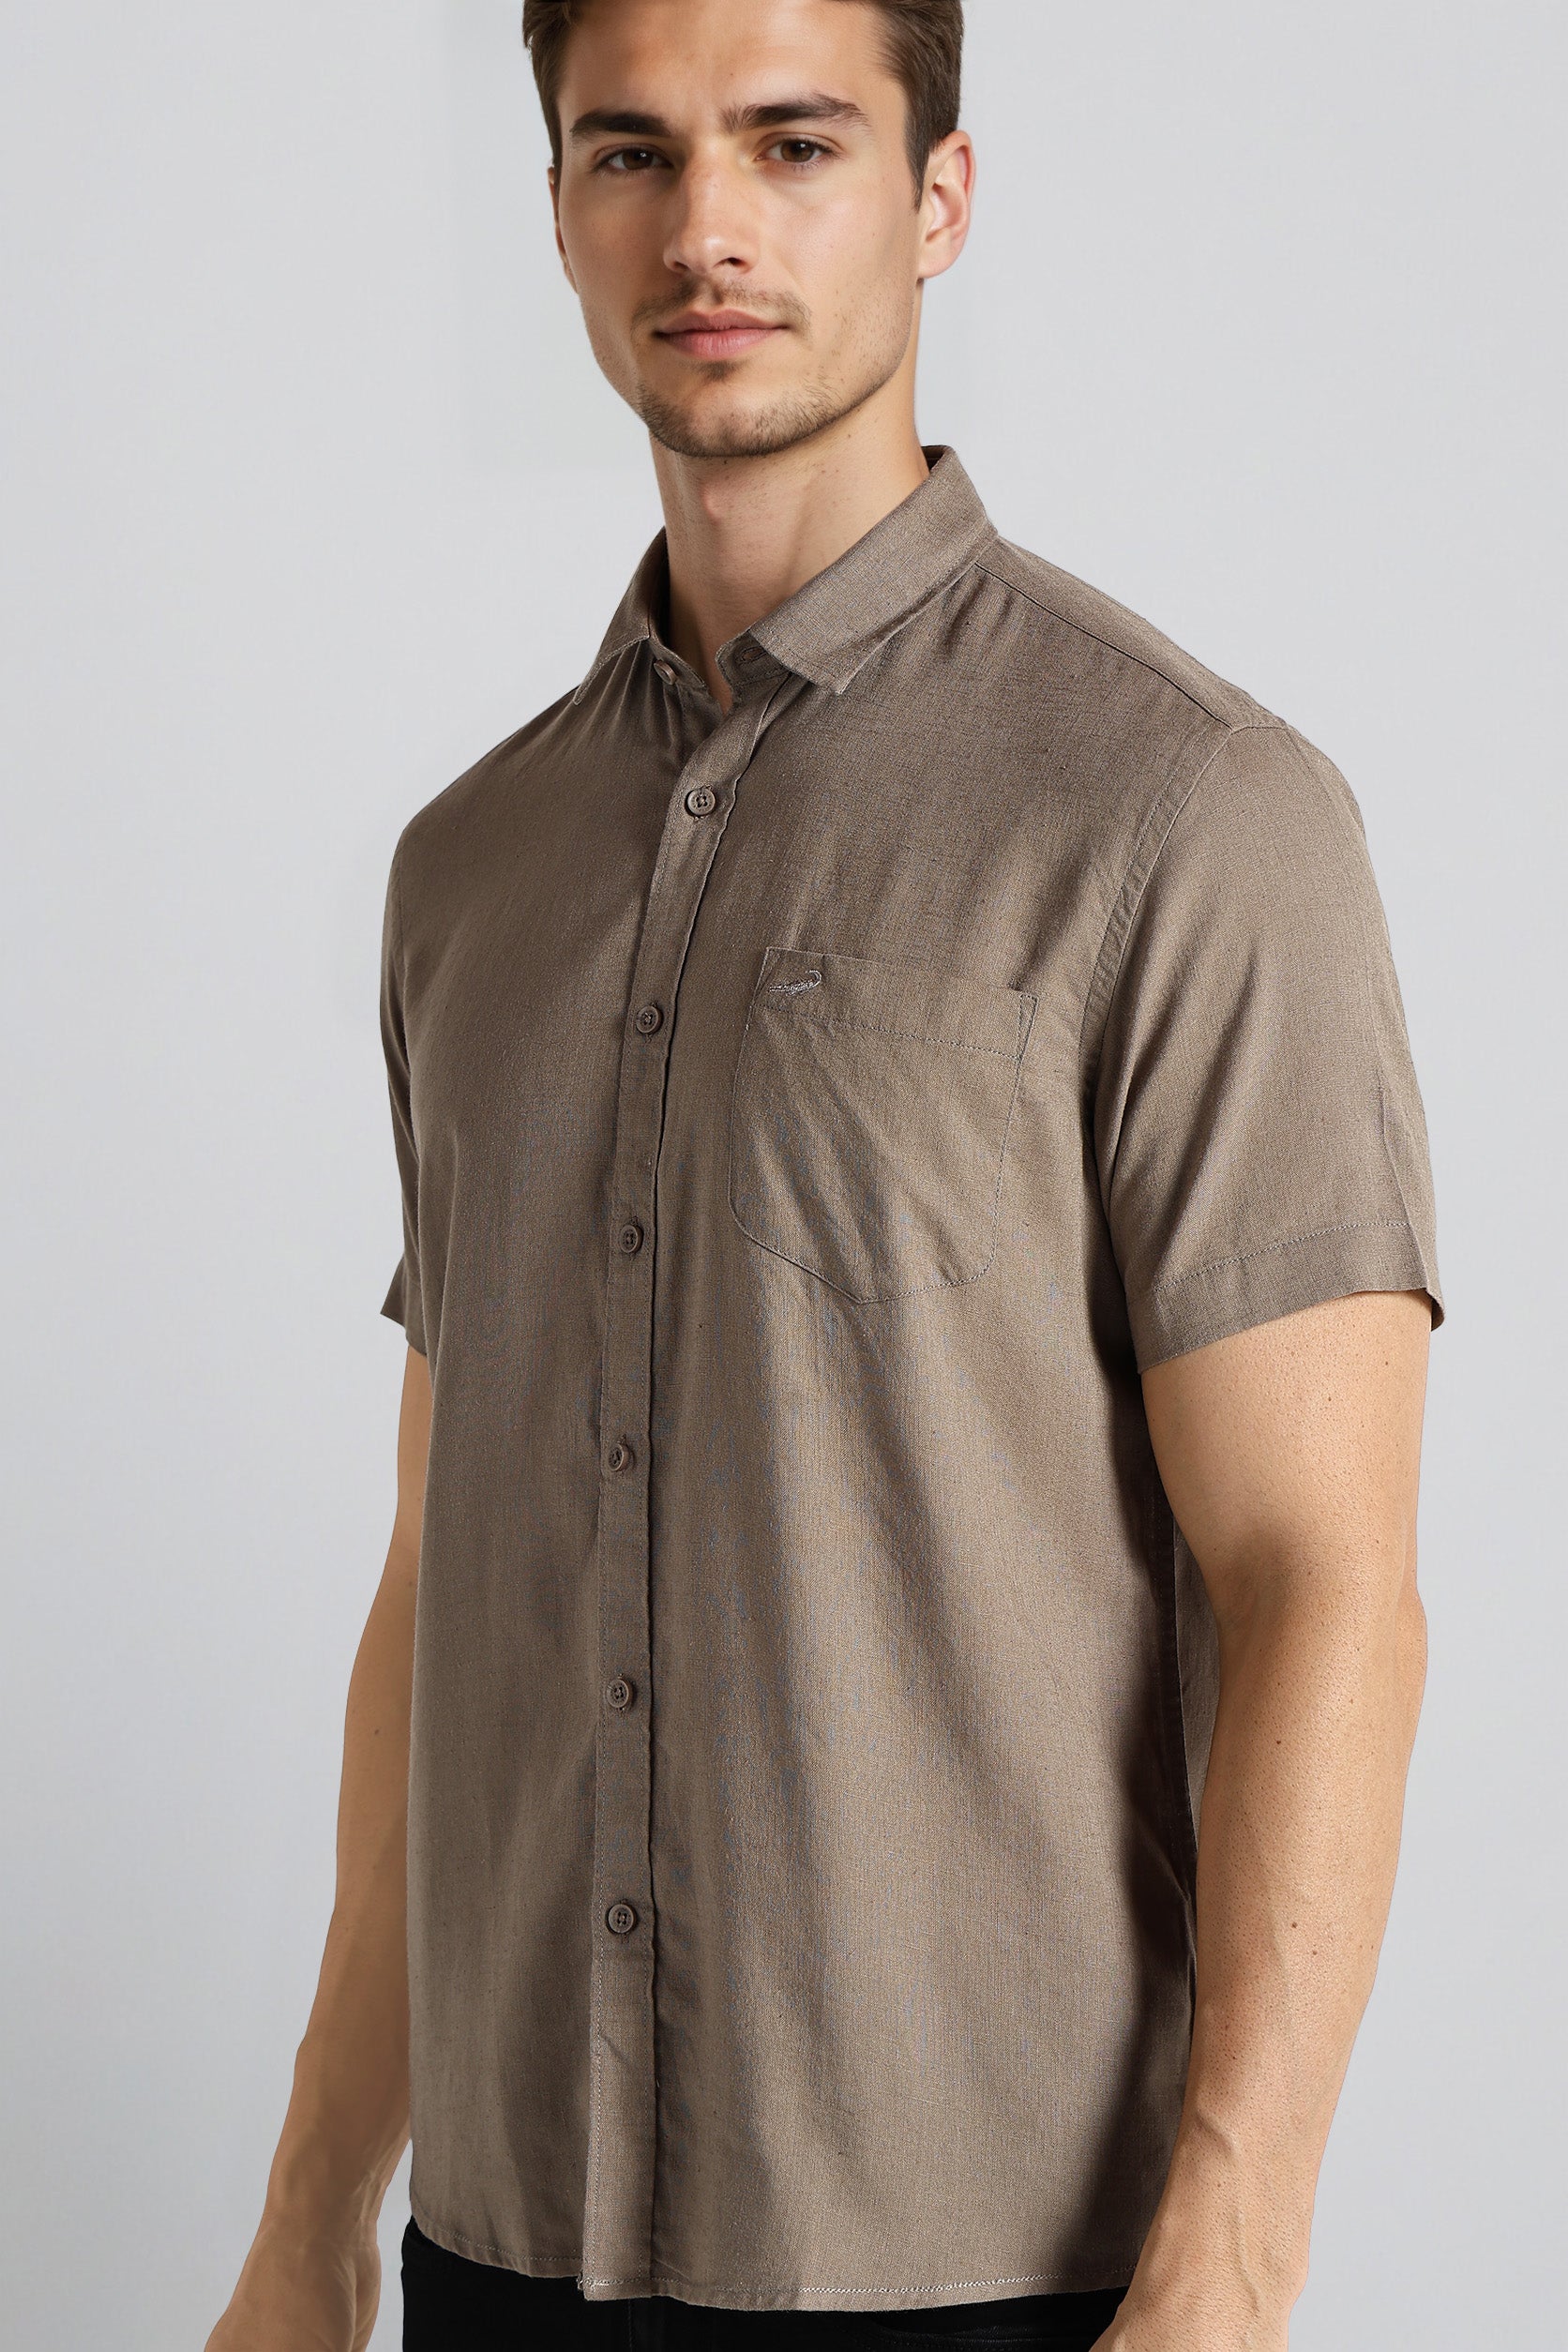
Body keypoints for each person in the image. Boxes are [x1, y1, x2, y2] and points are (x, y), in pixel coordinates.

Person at [205, 4, 1443, 2348]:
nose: (708, 229)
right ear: (558, 216)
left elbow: (1323, 1589)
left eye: (793, 143)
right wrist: (308, 2214)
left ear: (936, 199)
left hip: (989, 2277)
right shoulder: (466, 872)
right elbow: (436, 1582)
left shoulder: (1185, 816)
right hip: (503, 2248)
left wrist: (1231, 2259)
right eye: (632, 155)